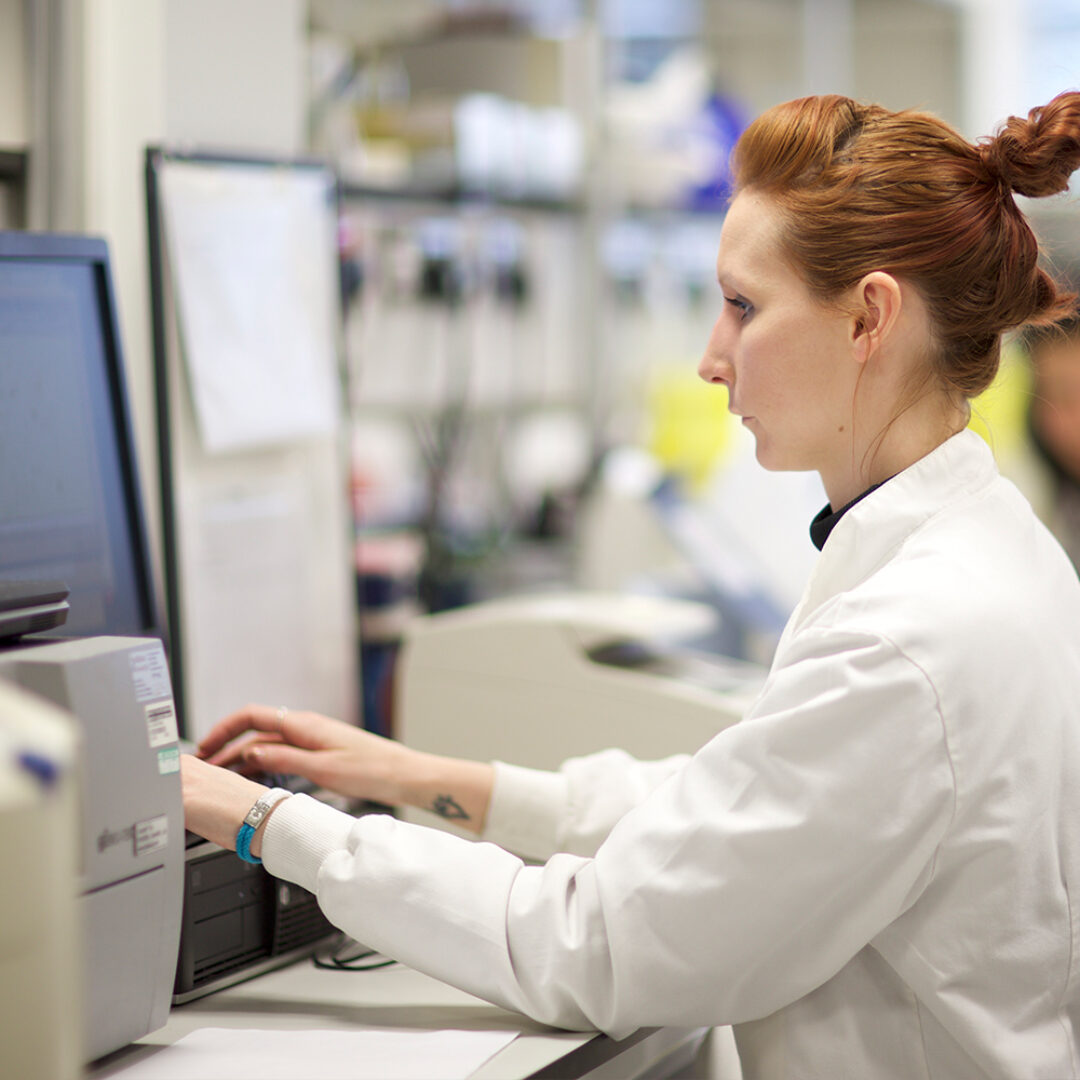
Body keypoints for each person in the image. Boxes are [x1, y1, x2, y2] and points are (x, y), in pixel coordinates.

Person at [183, 92, 1080, 1078]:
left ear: (870, 316)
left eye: (744, 306)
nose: (711, 357)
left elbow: (600, 948)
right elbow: (741, 810)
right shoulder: (991, 547)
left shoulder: (914, 636)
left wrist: (265, 823)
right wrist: (423, 781)